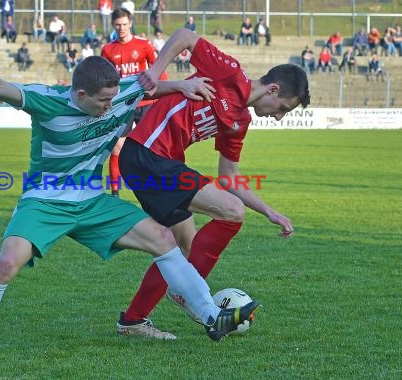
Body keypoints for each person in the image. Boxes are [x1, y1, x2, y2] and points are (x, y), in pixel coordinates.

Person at [0, 49, 258, 364]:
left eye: (113, 98)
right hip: (46, 199)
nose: (111, 106)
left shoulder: (120, 93)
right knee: (8, 263)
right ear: (80, 93)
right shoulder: (46, 100)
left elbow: (148, 87)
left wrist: (180, 85)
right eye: (103, 100)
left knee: (163, 239)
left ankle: (213, 318)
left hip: (92, 201)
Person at [115, 28, 309, 337]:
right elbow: (185, 36)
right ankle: (189, 295)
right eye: (283, 109)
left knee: (182, 247)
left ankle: (133, 321)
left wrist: (269, 211)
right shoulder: (229, 72)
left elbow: (229, 177)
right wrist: (155, 70)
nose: (278, 117)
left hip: (159, 164)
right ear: (273, 90)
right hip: (146, 154)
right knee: (231, 211)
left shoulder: (241, 123)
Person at [101, 7, 164, 196]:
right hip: (123, 105)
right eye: (118, 25)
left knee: (152, 149)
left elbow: (158, 69)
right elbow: (104, 78)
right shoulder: (108, 50)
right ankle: (115, 194)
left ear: (131, 24)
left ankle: (153, 189)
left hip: (146, 104)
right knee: (116, 149)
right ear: (113, 25)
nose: (121, 28)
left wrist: (161, 93)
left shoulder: (144, 45)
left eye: (124, 25)